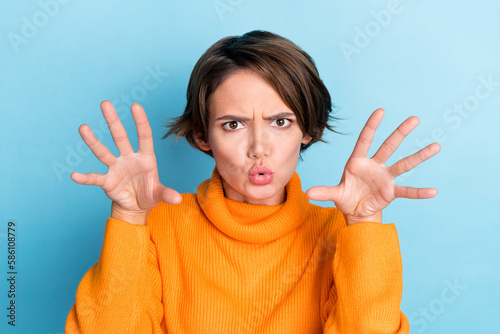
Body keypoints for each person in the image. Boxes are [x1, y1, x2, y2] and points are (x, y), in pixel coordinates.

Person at [65, 30, 440, 333]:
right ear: (202, 137)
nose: (259, 148)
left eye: (280, 122)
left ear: (307, 129)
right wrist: (128, 218)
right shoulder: (159, 225)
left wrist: (364, 225)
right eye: (233, 124)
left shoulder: (337, 235)